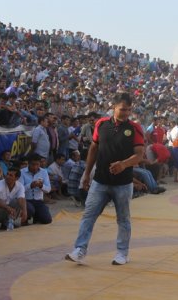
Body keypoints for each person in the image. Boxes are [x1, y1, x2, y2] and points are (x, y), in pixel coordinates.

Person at [65, 93, 144, 265]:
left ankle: (122, 253)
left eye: (129, 110)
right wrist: (86, 174)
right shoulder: (100, 124)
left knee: (123, 219)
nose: (126, 113)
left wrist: (124, 164)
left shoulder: (135, 128)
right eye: (123, 109)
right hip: (100, 181)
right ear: (113, 107)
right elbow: (93, 149)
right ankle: (79, 249)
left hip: (123, 183)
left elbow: (139, 155)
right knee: (88, 215)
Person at [18, 154, 52, 224]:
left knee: (47, 220)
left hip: (38, 201)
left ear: (40, 164)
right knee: (30, 209)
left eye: (37, 164)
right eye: (33, 164)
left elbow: (48, 189)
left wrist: (41, 186)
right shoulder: (22, 172)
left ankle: (37, 216)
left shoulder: (44, 172)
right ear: (29, 163)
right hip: (26, 200)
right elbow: (19, 190)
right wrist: (30, 186)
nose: (35, 167)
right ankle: (26, 217)